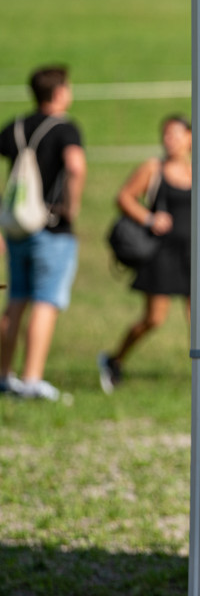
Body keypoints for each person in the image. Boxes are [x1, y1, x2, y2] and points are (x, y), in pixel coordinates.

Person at [97, 115, 200, 392]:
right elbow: (123, 197)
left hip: (193, 254)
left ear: (190, 138)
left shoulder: (198, 170)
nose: (171, 140)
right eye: (166, 135)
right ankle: (114, 360)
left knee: (198, 319)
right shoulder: (153, 168)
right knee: (154, 319)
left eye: (177, 135)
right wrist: (149, 219)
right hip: (162, 254)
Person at [0, 65, 86, 401]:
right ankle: (33, 379)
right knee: (45, 302)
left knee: (15, 300)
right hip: (51, 226)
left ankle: (4, 376)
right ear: (60, 92)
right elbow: (76, 166)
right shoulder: (66, 128)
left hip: (17, 226)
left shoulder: (16, 127)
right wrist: (72, 206)